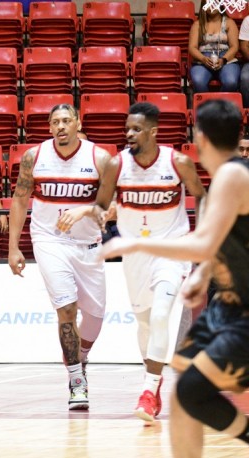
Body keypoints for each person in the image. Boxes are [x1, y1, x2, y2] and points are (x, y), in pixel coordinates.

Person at [102, 99, 249, 458]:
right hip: (226, 303)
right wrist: (203, 273)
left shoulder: (233, 176)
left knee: (193, 392)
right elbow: (221, 240)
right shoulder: (229, 177)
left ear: (199, 138)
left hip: (244, 311)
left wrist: (135, 243)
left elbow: (202, 241)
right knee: (183, 390)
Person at [58, 102, 206, 424]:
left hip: (172, 248)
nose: (129, 134)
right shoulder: (117, 164)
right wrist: (95, 213)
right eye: (127, 128)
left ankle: (149, 390)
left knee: (162, 315)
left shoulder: (177, 162)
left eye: (136, 129)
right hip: (135, 252)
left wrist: (205, 238)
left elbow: (202, 197)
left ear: (153, 132)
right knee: (145, 322)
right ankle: (153, 376)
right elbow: (101, 205)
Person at [8, 104, 112, 411]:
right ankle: (76, 380)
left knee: (95, 317)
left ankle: (81, 356)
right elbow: (20, 200)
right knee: (66, 310)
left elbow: (115, 207)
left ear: (78, 123)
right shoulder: (34, 157)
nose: (61, 126)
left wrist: (85, 210)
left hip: (88, 244)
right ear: (50, 126)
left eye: (67, 120)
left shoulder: (100, 158)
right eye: (55, 122)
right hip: (49, 240)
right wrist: (14, 247)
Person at [188, 3, 240, 94]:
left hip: (226, 58)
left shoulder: (229, 23)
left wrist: (223, 60)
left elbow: (234, 46)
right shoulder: (198, 24)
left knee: (231, 82)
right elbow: (192, 47)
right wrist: (203, 59)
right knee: (198, 81)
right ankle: (208, 102)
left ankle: (220, 102)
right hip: (203, 59)